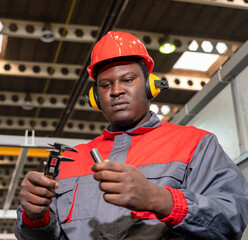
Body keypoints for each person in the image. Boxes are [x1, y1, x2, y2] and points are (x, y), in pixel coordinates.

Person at [14, 31, 248, 239]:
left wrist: (159, 199)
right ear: (95, 97)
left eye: (127, 80)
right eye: (105, 85)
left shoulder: (195, 144)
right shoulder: (71, 160)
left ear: (150, 86)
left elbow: (232, 219)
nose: (116, 91)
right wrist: (35, 218)